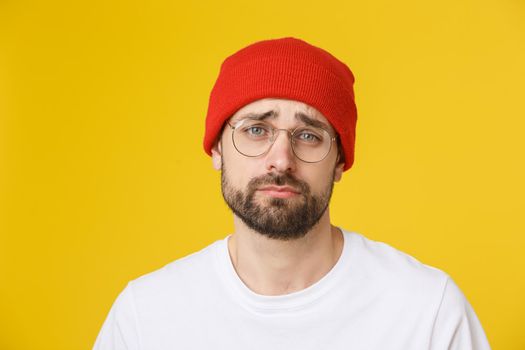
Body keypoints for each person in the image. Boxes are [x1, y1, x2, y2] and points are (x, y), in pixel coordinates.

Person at [93, 37, 491, 350]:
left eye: (308, 135)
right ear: (217, 148)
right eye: (255, 130)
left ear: (339, 161)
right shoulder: (146, 317)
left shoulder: (427, 311)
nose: (281, 160)